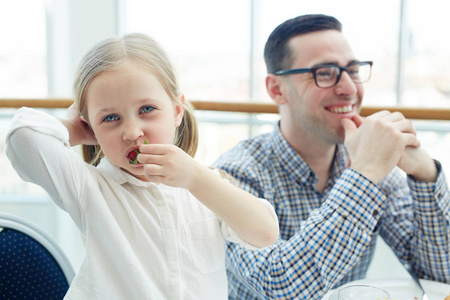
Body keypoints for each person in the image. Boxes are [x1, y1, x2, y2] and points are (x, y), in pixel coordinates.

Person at [5, 33, 279, 299]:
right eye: (111, 117)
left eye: (147, 109)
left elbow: (265, 233)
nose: (132, 132)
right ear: (89, 126)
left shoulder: (204, 185)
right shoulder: (89, 188)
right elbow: (23, 137)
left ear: (176, 111)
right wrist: (75, 129)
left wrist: (197, 178)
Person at [213, 14, 450, 299]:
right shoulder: (235, 174)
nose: (350, 88)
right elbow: (280, 288)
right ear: (277, 89)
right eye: (324, 73)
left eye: (353, 70)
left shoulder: (369, 163)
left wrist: (425, 173)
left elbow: (442, 275)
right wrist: (362, 175)